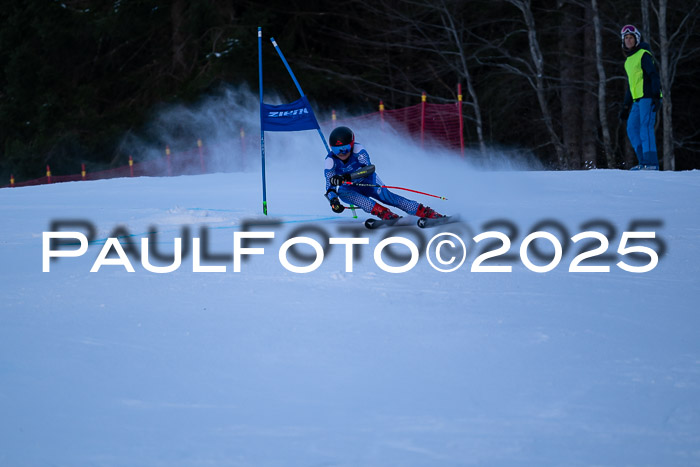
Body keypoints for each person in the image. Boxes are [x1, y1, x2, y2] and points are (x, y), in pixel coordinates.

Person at [323, 126, 444, 220]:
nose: (342, 153)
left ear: (352, 145)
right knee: (343, 193)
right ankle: (384, 213)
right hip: (351, 189)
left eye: (345, 148)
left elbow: (369, 169)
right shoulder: (330, 161)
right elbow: (330, 188)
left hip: (368, 182)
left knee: (389, 198)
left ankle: (424, 211)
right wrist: (334, 201)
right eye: (336, 150)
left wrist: (346, 176)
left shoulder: (358, 150)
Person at [618, 24, 662, 170]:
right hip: (637, 100)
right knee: (631, 128)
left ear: (636, 39)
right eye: (626, 38)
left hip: (648, 97)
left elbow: (653, 75)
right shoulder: (628, 61)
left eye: (631, 37)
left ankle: (651, 164)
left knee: (645, 128)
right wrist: (625, 106)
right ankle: (643, 162)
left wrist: (657, 95)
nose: (628, 40)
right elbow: (632, 86)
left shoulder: (643, 54)